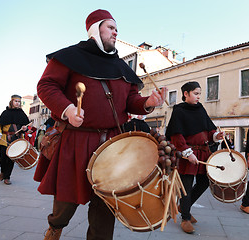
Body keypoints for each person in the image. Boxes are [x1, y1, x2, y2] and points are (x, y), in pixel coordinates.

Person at [34, 9, 167, 240]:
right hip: (77, 138)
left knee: (107, 202)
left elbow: (130, 102)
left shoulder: (122, 68)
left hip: (113, 144)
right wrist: (67, 109)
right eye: (111, 27)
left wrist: (148, 102)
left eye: (117, 29)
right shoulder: (69, 57)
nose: (116, 32)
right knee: (66, 199)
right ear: (96, 28)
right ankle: (55, 227)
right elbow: (46, 86)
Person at [165, 81, 223, 234]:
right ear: (186, 94)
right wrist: (186, 153)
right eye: (196, 93)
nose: (199, 97)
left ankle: (184, 207)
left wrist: (217, 136)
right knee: (186, 187)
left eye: (199, 94)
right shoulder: (179, 111)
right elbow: (176, 135)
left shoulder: (201, 109)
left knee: (204, 182)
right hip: (188, 154)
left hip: (203, 152)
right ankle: (185, 218)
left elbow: (209, 131)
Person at [0, 95, 30, 185]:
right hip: (5, 139)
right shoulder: (5, 113)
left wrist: (25, 128)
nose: (17, 103)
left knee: (11, 159)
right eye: (16, 101)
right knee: (2, 158)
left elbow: (27, 127)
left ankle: (7, 177)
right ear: (12, 102)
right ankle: (3, 171)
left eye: (19, 102)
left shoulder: (22, 113)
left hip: (16, 140)